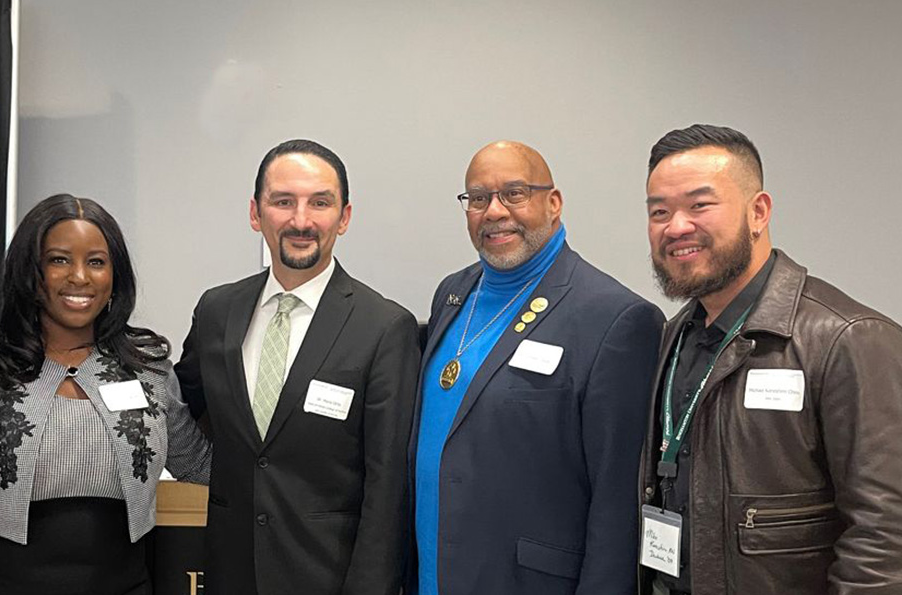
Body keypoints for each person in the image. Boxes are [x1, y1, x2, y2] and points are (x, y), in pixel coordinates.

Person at [638, 124, 902, 595]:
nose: (676, 227)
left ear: (758, 211)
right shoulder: (673, 337)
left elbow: (885, 538)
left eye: (699, 205)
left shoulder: (849, 340)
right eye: (660, 211)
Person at [411, 141, 663, 595]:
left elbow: (617, 504)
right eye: (478, 197)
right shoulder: (453, 293)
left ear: (554, 202)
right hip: (434, 574)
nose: (494, 211)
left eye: (515, 193)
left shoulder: (615, 319)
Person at [174, 139, 420, 594]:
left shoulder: (385, 328)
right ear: (256, 213)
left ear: (344, 217)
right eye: (283, 202)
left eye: (320, 203)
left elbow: (389, 489)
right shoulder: (216, 311)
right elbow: (181, 405)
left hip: (330, 577)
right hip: (231, 574)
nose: (301, 220)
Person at [0, 194, 210, 595]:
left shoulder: (146, 364)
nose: (79, 276)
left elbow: (199, 462)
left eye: (96, 261)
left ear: (115, 276)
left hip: (122, 584)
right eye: (59, 259)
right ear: (30, 270)